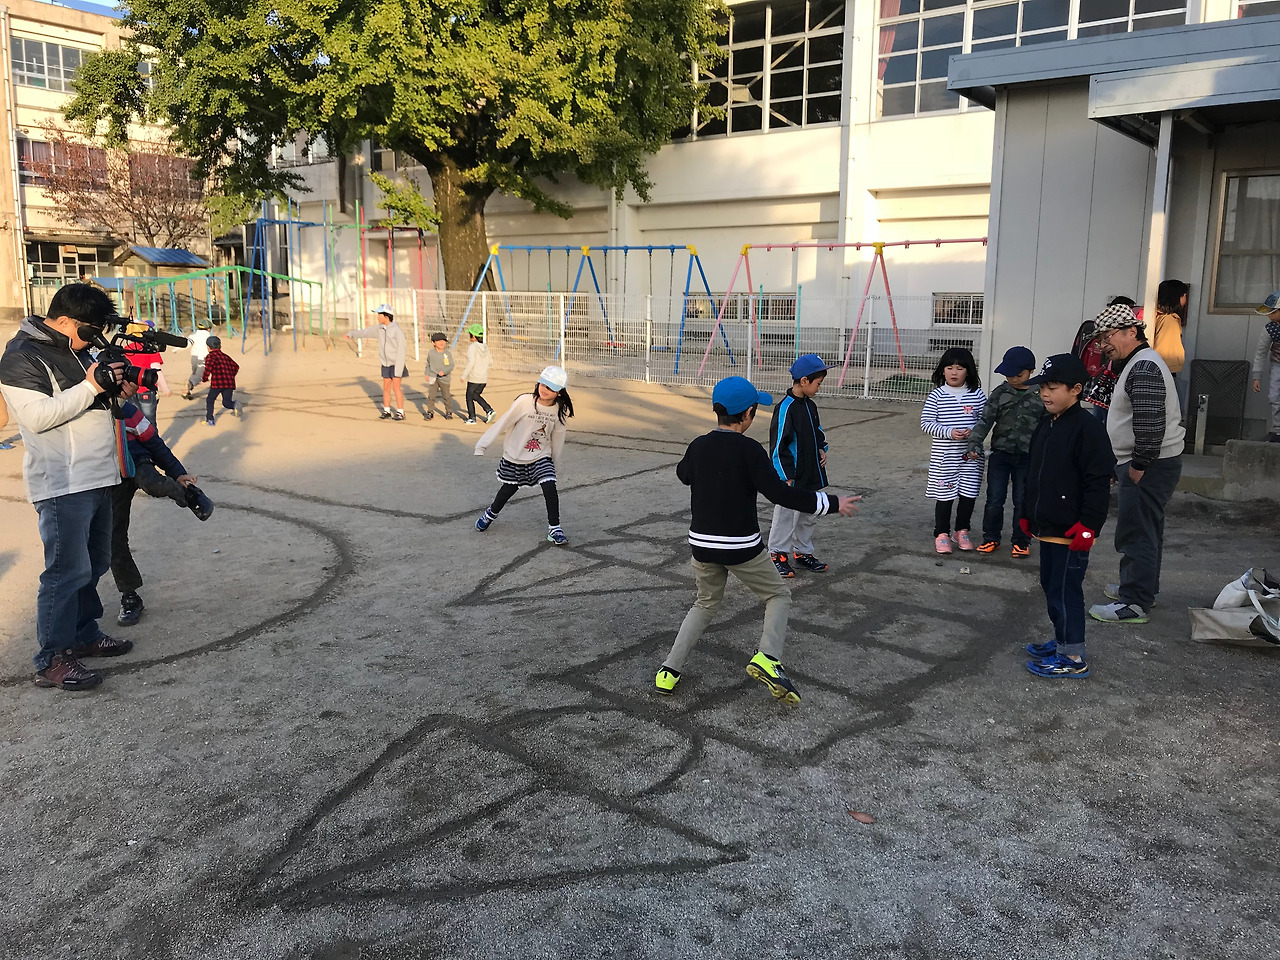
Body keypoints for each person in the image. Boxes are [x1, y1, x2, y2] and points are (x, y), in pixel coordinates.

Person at [654, 376, 859, 704]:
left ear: (717, 410)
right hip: (741, 547)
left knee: (705, 603)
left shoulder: (699, 445)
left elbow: (683, 474)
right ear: (748, 414)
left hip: (702, 546)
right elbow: (780, 494)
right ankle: (767, 657)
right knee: (778, 596)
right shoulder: (750, 450)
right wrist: (830, 503)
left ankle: (669, 670)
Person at [0, 284, 137, 690]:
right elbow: (37, 417)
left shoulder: (79, 350)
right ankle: (52, 658)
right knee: (65, 572)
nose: (94, 338)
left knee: (94, 563)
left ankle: (83, 633)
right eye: (89, 330)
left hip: (99, 475)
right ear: (63, 321)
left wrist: (117, 393)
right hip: (63, 481)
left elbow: (93, 405)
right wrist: (93, 386)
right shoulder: (21, 356)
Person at [1087, 303, 1185, 625]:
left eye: (1108, 336)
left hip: (1148, 464)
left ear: (1132, 331)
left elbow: (1150, 422)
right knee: (1147, 529)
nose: (1104, 345)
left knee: (1136, 531)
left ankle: (1134, 601)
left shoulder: (1142, 366)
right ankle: (1142, 588)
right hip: (1150, 460)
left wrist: (1138, 465)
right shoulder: (1140, 362)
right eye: (1101, 339)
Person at [1019, 354, 1115, 678]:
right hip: (1048, 526)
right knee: (1051, 585)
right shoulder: (1046, 423)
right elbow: (1034, 473)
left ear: (1076, 389)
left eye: (1053, 387)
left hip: (1072, 531)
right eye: (1042, 387)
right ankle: (1062, 640)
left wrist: (1089, 526)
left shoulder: (1088, 429)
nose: (1045, 393)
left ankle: (1073, 657)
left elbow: (1097, 482)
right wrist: (1026, 513)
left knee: (1066, 590)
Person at [112, 401, 214, 626]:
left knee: (154, 483)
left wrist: (178, 473)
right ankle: (130, 596)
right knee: (114, 537)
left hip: (138, 462)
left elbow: (154, 443)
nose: (128, 387)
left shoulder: (127, 410)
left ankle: (184, 493)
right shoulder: (87, 412)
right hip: (109, 477)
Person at [474, 365, 573, 544]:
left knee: (549, 486)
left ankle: (555, 529)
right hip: (515, 456)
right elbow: (503, 422)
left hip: (541, 456)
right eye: (543, 384)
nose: (545, 389)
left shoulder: (558, 411)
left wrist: (555, 466)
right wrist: (482, 445)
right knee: (508, 490)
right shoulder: (525, 402)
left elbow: (558, 440)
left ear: (559, 392)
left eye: (551, 388)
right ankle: (490, 514)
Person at [966, 345, 1042, 558]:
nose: (1013, 379)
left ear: (1031, 371)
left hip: (1028, 457)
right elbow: (985, 420)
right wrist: (974, 443)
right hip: (1000, 454)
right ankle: (991, 538)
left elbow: (1049, 425)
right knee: (994, 499)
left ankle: (1021, 541)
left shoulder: (1041, 394)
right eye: (1009, 375)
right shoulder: (1000, 393)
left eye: (1018, 375)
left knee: (1022, 500)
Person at [767, 354, 833, 578]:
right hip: (792, 474)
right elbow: (778, 444)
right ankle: (777, 553)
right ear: (804, 381)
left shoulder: (810, 406)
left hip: (811, 471)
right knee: (785, 513)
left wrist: (821, 448)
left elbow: (817, 431)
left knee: (809, 512)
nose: (819, 388)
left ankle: (803, 552)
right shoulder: (785, 408)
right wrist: (785, 475)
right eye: (818, 383)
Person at [921, 347, 986, 554]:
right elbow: (926, 423)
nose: (954, 372)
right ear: (942, 370)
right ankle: (941, 533)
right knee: (945, 495)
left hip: (971, 457)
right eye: (949, 368)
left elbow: (985, 421)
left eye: (959, 368)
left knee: (968, 494)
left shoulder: (977, 394)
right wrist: (949, 432)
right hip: (945, 457)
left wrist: (973, 432)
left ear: (969, 371)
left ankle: (962, 531)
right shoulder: (937, 395)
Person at [345, 304, 407, 420]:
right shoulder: (379, 329)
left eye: (379, 314)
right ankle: (387, 410)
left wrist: (399, 369)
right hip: (385, 363)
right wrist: (352, 334)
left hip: (396, 364)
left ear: (387, 316)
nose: (378, 317)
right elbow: (365, 332)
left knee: (396, 388)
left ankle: (400, 412)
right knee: (386, 387)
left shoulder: (397, 331)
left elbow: (401, 351)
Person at [1077, 296, 1132, 421]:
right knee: (1104, 416)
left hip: (1101, 379)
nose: (1102, 345)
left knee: (1099, 415)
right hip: (1107, 379)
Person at [123, 319, 170, 423]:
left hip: (130, 390)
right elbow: (156, 370)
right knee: (149, 421)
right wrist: (165, 388)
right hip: (147, 389)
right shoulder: (150, 349)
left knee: (135, 422)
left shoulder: (125, 349)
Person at [1251, 291, 1280, 442]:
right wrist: (1257, 377)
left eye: (1273, 312)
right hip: (1277, 365)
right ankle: (1278, 431)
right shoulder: (1270, 329)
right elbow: (1260, 353)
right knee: (1274, 397)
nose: (1269, 315)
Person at [459, 323, 496, 425]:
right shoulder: (486, 347)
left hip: (474, 378)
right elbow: (490, 361)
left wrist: (464, 375)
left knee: (469, 397)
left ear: (474, 336)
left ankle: (472, 417)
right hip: (483, 378)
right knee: (475, 395)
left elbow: (471, 362)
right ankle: (489, 410)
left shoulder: (472, 347)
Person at [1151, 279, 1189, 376]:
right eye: (1184, 295)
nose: (1185, 298)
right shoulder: (1169, 320)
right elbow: (1162, 348)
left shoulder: (1158, 315)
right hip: (1164, 368)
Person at [201, 335, 241, 425]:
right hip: (229, 383)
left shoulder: (210, 356)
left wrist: (204, 378)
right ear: (220, 346)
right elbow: (236, 366)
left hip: (217, 383)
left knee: (210, 400)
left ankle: (210, 419)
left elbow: (208, 368)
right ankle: (234, 405)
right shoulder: (225, 356)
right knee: (226, 402)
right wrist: (231, 375)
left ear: (208, 347)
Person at [424, 332, 457, 420]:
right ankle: (430, 412)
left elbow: (451, 365)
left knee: (446, 396)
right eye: (438, 341)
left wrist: (444, 371)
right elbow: (428, 364)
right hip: (433, 377)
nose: (441, 343)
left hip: (444, 379)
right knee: (431, 396)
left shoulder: (447, 354)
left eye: (443, 341)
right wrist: (427, 373)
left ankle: (448, 412)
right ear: (433, 343)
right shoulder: (431, 353)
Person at [183, 320, 213, 400]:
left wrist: (176, 349)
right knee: (200, 376)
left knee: (194, 374)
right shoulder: (209, 337)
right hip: (203, 358)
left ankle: (187, 392)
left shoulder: (193, 335)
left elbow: (187, 344)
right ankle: (190, 383)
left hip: (194, 357)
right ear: (208, 329)